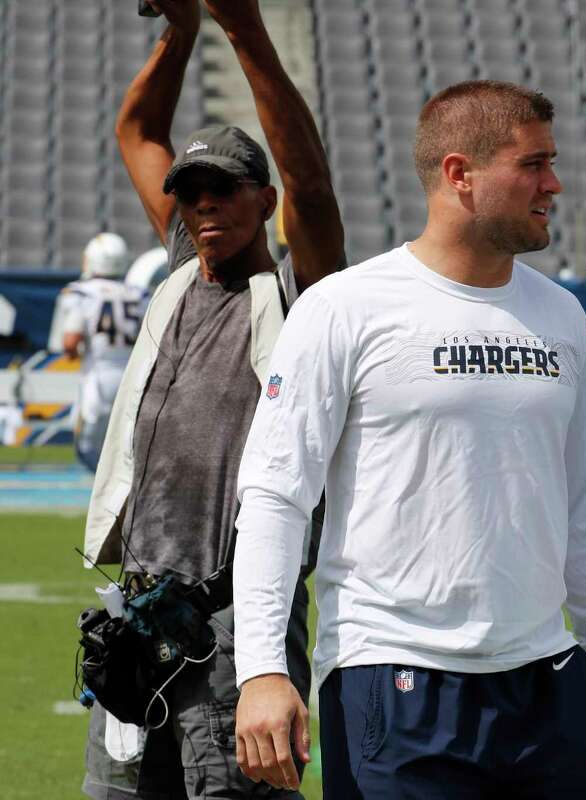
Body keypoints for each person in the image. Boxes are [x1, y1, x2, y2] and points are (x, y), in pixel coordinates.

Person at [231, 79, 586, 799]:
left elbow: (584, 508)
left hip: (548, 684)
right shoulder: (344, 307)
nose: (555, 183)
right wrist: (263, 669)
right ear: (460, 174)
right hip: (395, 679)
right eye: (533, 164)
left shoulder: (557, 315)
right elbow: (274, 495)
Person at [80, 0, 343, 796]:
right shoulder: (179, 267)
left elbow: (309, 179)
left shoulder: (300, 293)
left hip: (239, 620)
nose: (203, 208)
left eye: (224, 191)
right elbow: (135, 132)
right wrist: (181, 32)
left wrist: (244, 30)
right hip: (140, 613)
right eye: (191, 194)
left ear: (263, 202)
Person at [60, 233, 146, 471]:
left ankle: (106, 498)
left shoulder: (81, 293)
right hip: (133, 378)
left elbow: (70, 343)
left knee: (88, 447)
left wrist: (74, 353)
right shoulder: (139, 294)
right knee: (126, 445)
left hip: (97, 380)